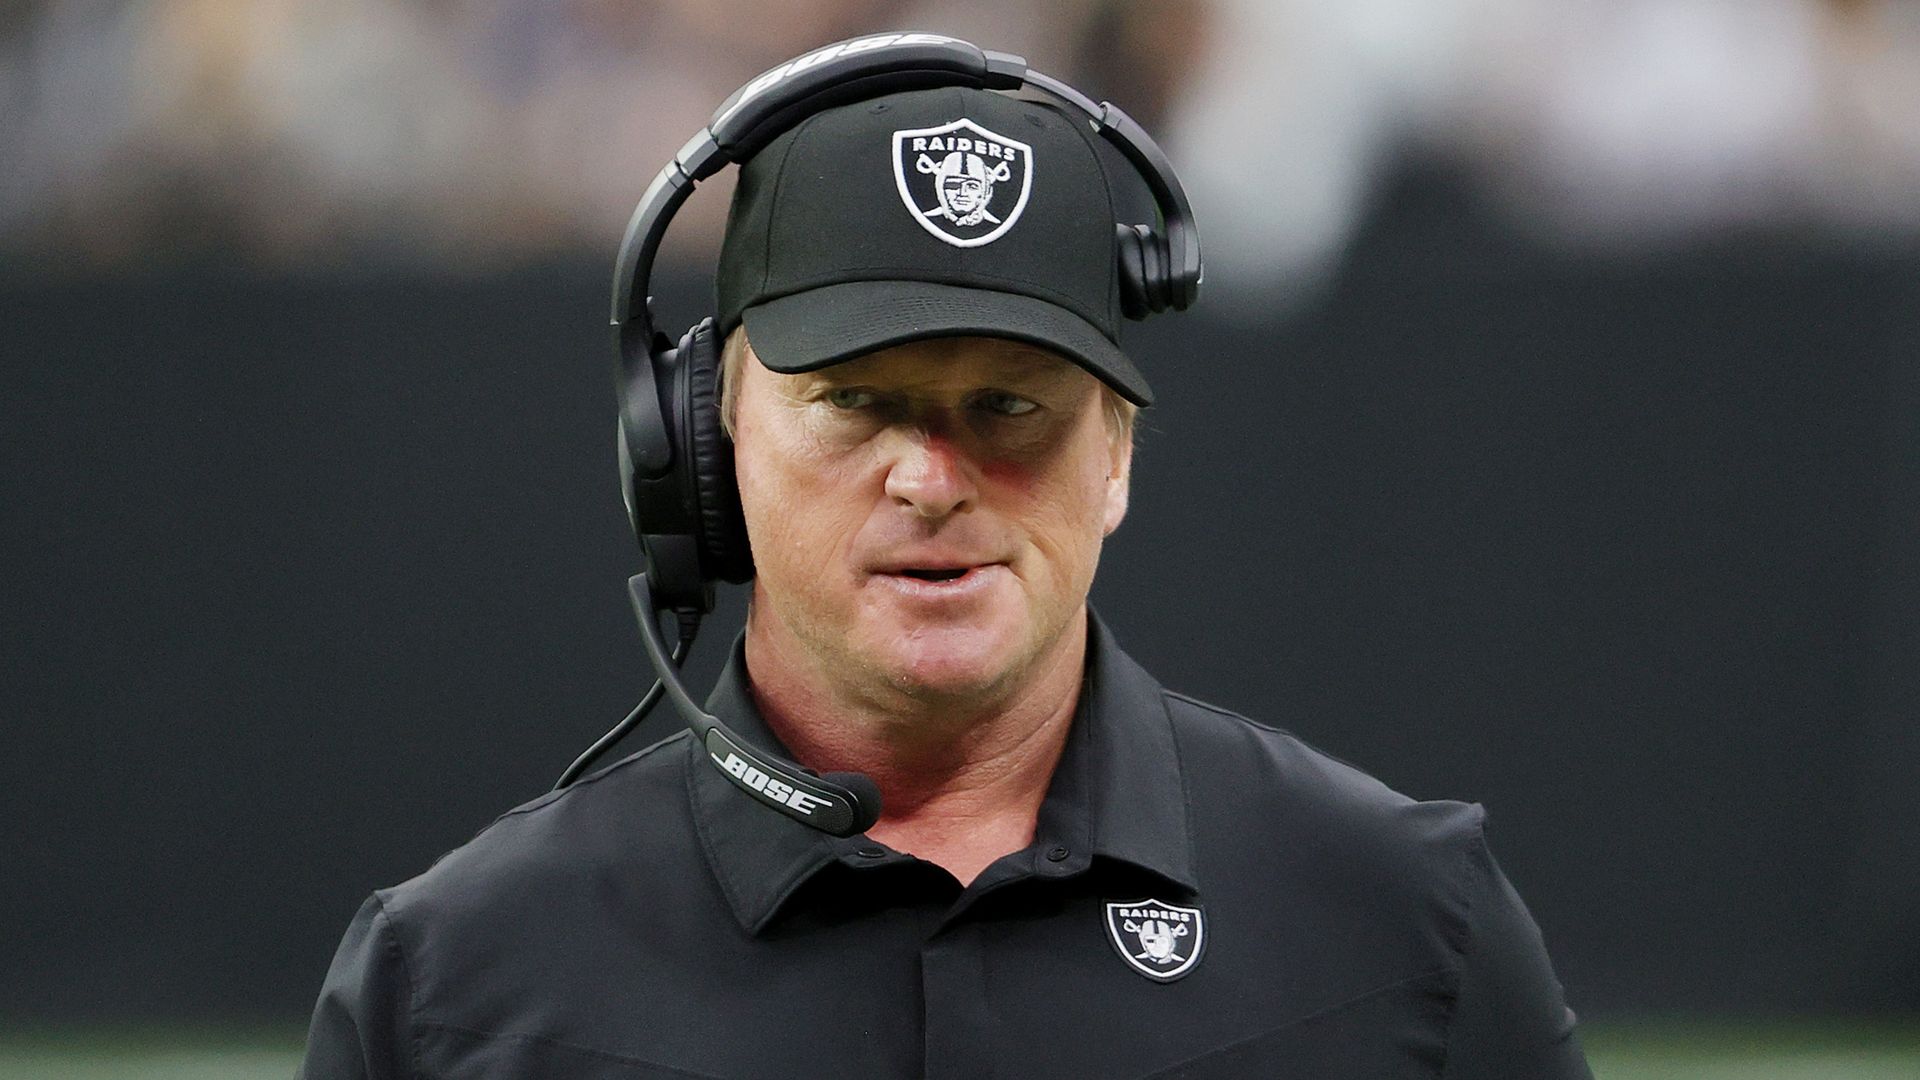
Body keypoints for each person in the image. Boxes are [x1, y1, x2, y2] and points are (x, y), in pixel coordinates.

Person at [300, 46, 1594, 1080]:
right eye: (859, 403)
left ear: (1119, 455)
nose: (930, 477)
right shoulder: (458, 990)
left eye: (1009, 406)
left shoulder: (1402, 928)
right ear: (706, 439)